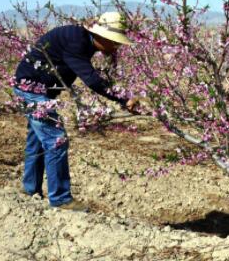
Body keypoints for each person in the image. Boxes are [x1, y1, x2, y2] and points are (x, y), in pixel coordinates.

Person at [13, 11, 139, 212]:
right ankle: (61, 199)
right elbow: (92, 81)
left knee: (38, 141)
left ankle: (30, 189)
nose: (116, 47)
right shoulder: (76, 42)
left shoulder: (82, 39)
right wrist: (124, 99)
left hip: (35, 89)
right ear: (101, 36)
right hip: (33, 91)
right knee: (56, 140)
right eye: (114, 42)